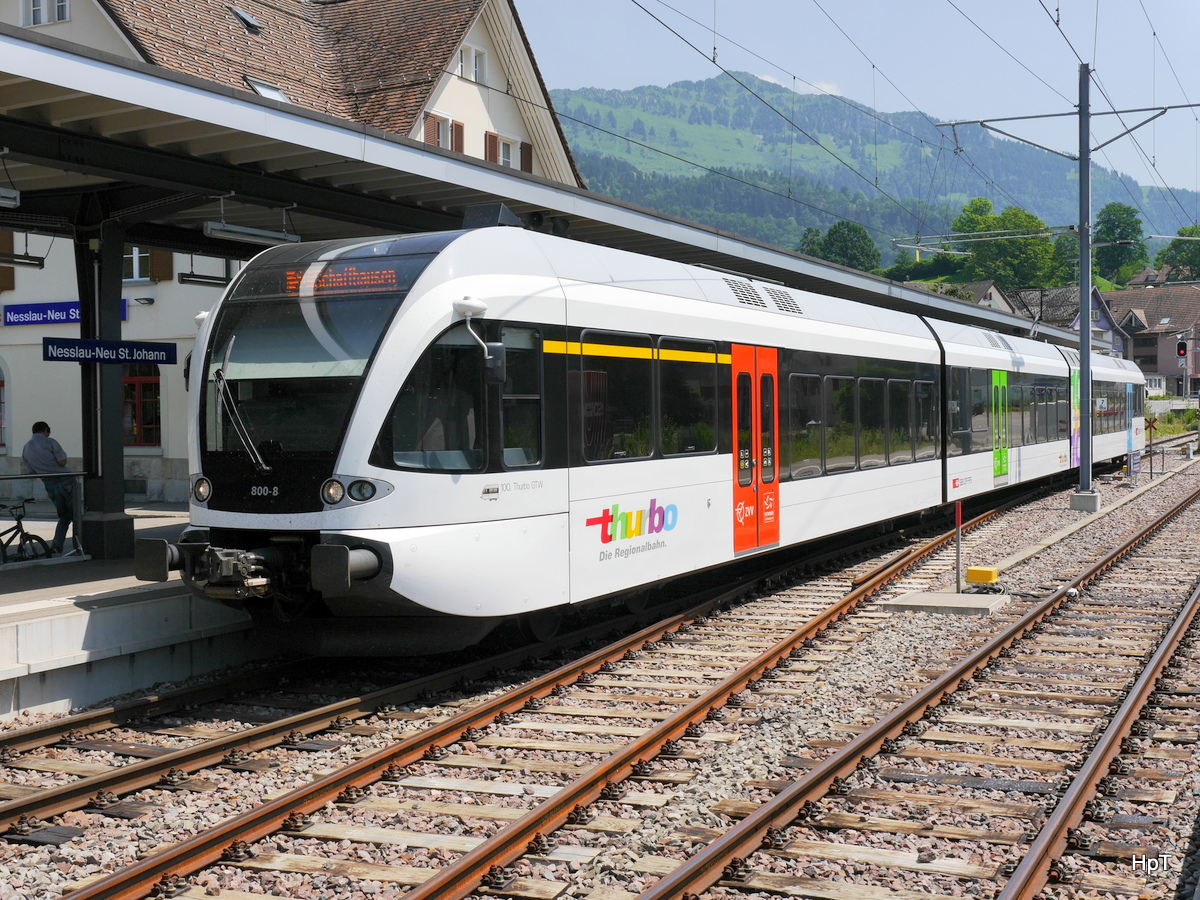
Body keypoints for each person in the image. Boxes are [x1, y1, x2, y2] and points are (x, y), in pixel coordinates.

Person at [21, 421, 73, 555]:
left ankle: (57, 545)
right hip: (65, 480)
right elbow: (62, 462)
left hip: (49, 483)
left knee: (63, 516)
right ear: (45, 430)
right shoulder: (50, 442)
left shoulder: (26, 448)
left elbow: (31, 472)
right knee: (76, 514)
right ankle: (80, 545)